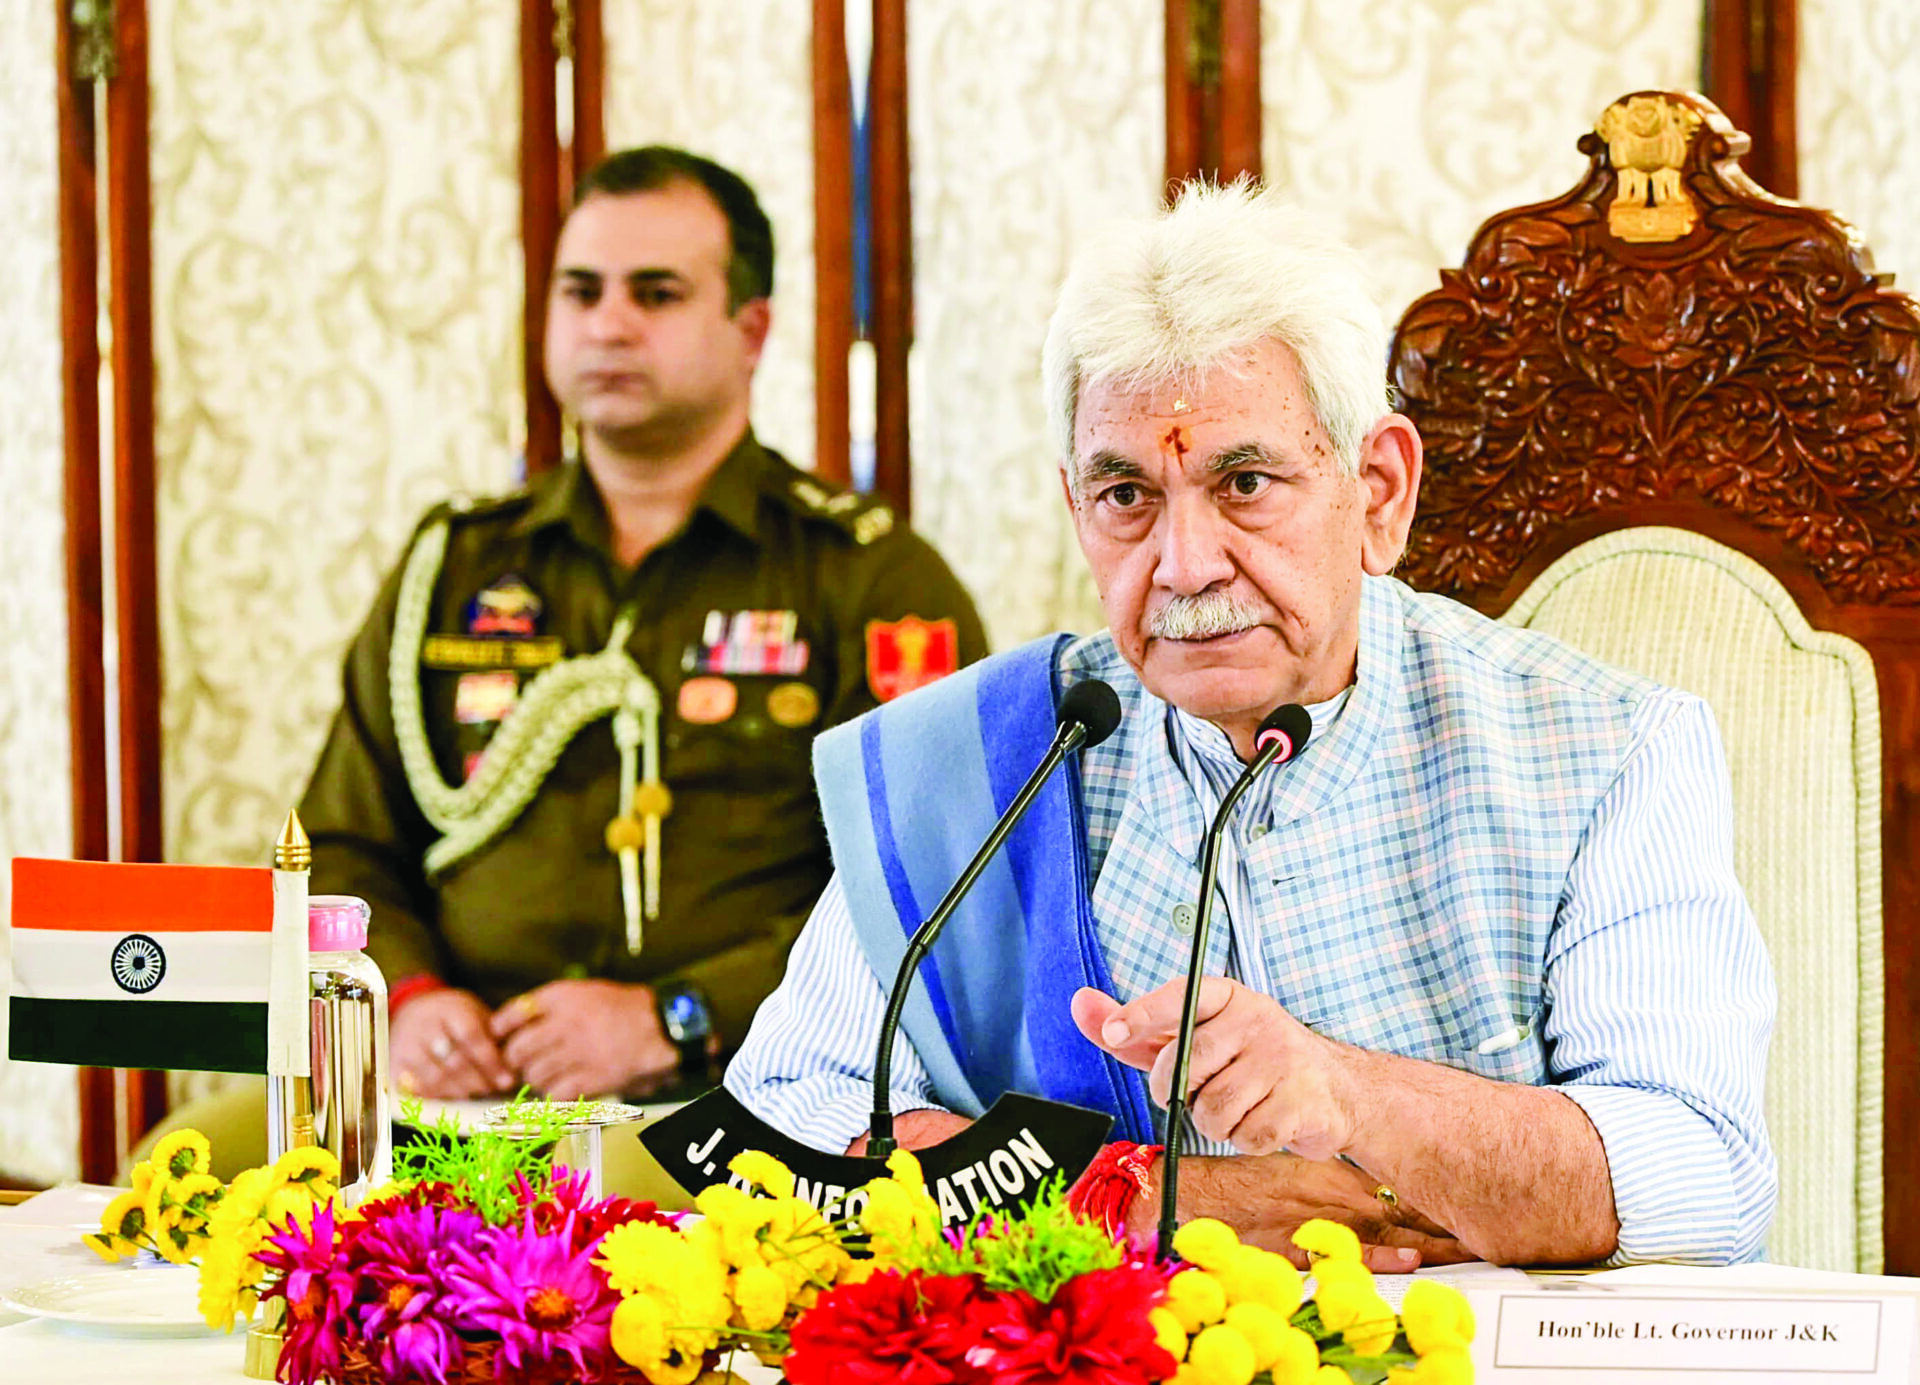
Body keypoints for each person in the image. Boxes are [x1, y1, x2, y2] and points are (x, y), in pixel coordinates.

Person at [725, 182, 1776, 1270]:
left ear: (1378, 491)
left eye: (1244, 481)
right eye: (1125, 493)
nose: (1183, 566)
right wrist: (1136, 1200)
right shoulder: (980, 766)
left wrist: (1353, 1095)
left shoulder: (1600, 751)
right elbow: (772, 1119)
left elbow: (1704, 1180)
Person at [297, 145, 988, 1104]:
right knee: (187, 1167)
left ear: (751, 330)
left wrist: (678, 1014)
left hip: (749, 1094)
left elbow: (945, 885)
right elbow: (339, 840)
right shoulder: (453, 565)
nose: (608, 324)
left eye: (655, 293)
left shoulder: (865, 576)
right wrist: (408, 998)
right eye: (580, 291)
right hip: (456, 1095)